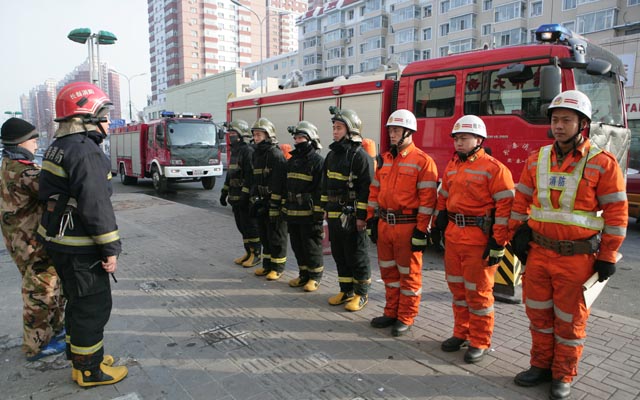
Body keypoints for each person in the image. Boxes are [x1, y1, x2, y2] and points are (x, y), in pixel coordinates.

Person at [509, 90, 627, 400]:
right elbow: (521, 200)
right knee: (538, 315)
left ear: (582, 124)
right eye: (555, 120)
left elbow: (616, 213)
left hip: (577, 258)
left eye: (567, 120)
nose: (559, 126)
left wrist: (608, 255)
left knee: (570, 321)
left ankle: (562, 374)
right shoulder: (537, 159)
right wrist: (515, 233)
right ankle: (540, 365)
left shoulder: (602, 163)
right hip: (538, 253)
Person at [37, 82, 128, 387]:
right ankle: (90, 371)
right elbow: (96, 206)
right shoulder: (86, 151)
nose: (108, 122)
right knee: (93, 307)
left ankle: (82, 359)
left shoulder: (59, 146)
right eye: (104, 115)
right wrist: (111, 249)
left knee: (77, 303)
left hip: (59, 241)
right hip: (80, 247)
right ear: (86, 116)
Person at [436, 115, 515, 363]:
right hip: (454, 236)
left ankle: (480, 340)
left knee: (479, 293)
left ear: (479, 140)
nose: (459, 143)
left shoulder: (495, 169)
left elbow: (505, 209)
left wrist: (498, 242)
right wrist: (439, 217)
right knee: (458, 289)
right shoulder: (452, 165)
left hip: (478, 239)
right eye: (456, 138)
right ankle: (461, 333)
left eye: (464, 138)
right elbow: (443, 194)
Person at [366, 110, 438, 336]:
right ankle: (391, 312)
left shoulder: (423, 162)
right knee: (388, 272)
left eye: (396, 130)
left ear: (409, 132)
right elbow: (374, 192)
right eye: (390, 130)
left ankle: (406, 316)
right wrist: (371, 219)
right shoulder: (385, 160)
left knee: (409, 274)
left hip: (407, 225)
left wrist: (421, 230)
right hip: (385, 224)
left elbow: (428, 200)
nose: (392, 134)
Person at [0, 118, 66, 361]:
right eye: (34, 140)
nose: (36, 145)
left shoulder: (8, 164)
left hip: (19, 241)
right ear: (21, 142)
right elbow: (54, 188)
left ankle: (54, 331)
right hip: (31, 243)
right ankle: (35, 347)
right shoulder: (25, 172)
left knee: (50, 287)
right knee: (40, 294)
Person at [321, 107, 373, 311]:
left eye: (339, 128)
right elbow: (325, 184)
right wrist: (324, 208)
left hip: (352, 216)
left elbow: (366, 190)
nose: (335, 132)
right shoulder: (332, 155)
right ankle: (346, 290)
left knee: (356, 255)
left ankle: (361, 293)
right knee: (339, 254)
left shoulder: (360, 157)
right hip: (334, 215)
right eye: (334, 128)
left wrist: (361, 217)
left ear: (351, 130)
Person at [284, 121, 325, 292]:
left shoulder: (318, 161)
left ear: (311, 139)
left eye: (301, 137)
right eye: (296, 138)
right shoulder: (292, 160)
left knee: (311, 246)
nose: (297, 141)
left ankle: (315, 277)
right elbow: (286, 185)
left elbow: (320, 189)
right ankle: (303, 274)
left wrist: (318, 213)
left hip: (309, 213)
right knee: (297, 245)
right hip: (293, 211)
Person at [247, 118, 288, 281]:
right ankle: (267, 265)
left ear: (268, 135)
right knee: (264, 235)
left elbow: (280, 183)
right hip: (262, 201)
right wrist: (254, 196)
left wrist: (275, 204)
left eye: (259, 135)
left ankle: (277, 268)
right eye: (255, 135)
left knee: (276, 236)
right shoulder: (257, 154)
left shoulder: (275, 155)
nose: (256, 138)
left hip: (274, 202)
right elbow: (255, 178)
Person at [220, 120, 261, 267]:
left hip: (245, 198)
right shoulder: (235, 151)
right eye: (229, 133)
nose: (230, 136)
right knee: (241, 226)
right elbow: (230, 174)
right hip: (234, 197)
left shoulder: (247, 151)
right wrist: (224, 192)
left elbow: (250, 176)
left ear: (241, 135)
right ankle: (248, 252)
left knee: (250, 226)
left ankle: (256, 254)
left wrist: (245, 195)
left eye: (233, 133)